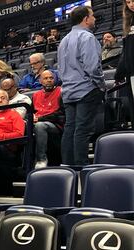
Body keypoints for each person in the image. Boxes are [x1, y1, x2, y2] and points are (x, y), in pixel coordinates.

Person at [58, 5, 106, 165]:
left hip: (68, 92)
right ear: (85, 19)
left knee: (70, 129)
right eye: (92, 16)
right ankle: (81, 166)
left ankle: (67, 166)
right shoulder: (87, 37)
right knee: (83, 130)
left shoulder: (63, 41)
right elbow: (93, 67)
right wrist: (101, 85)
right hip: (86, 90)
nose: (94, 18)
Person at [33, 70, 65, 168]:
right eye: (46, 78)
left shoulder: (61, 91)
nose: (49, 80)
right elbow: (32, 112)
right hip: (38, 122)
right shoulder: (35, 95)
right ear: (40, 81)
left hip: (55, 125)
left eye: (51, 78)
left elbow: (61, 115)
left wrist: (40, 119)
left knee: (40, 125)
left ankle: (41, 160)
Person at [116, 0, 134, 98]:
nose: (131, 5)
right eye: (128, 2)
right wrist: (119, 73)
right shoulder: (129, 21)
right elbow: (126, 51)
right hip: (131, 72)